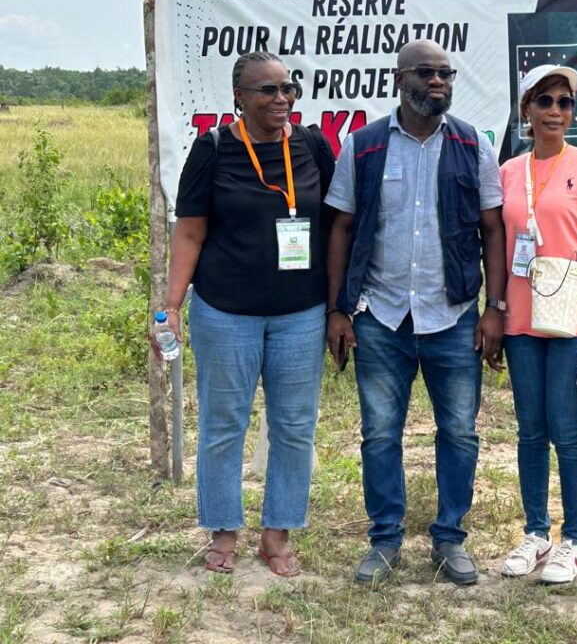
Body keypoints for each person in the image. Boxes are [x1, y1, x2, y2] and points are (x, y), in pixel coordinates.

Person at [324, 39, 506, 586]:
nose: (438, 82)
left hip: (453, 316)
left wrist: (494, 308)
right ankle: (385, 541)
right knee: (380, 434)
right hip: (381, 318)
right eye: (426, 73)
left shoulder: (473, 146)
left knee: (460, 433)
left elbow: (493, 230)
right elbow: (342, 228)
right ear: (399, 79)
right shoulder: (364, 147)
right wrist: (338, 310)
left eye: (446, 73)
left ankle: (449, 539)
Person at [153, 52, 336, 577]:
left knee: (294, 426)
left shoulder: (313, 146)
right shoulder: (213, 149)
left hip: (300, 314)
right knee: (223, 424)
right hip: (225, 312)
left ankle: (278, 534)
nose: (281, 99)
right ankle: (223, 531)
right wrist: (171, 306)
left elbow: (336, 225)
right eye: (268, 90)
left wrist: (338, 304)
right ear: (239, 96)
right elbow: (190, 232)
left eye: (288, 88)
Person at [498, 64, 577, 584]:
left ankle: (575, 540)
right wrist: (494, 308)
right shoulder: (508, 171)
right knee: (531, 431)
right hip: (520, 319)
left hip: (575, 318)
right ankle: (536, 534)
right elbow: (497, 245)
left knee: (566, 432)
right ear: (526, 109)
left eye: (564, 102)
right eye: (544, 101)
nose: (555, 111)